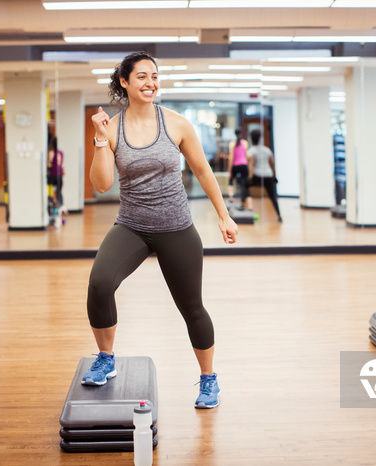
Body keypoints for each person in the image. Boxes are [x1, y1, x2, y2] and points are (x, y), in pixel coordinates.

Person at [84, 51, 238, 408]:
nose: (150, 82)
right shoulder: (113, 128)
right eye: (141, 76)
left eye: (154, 76)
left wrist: (223, 215)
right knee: (99, 283)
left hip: (176, 227)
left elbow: (202, 171)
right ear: (124, 82)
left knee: (192, 307)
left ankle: (208, 379)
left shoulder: (177, 124)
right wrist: (100, 139)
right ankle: (106, 359)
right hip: (132, 226)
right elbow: (103, 185)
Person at [247, 129, 282, 222]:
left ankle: (244, 205)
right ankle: (279, 216)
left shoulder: (251, 151)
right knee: (273, 196)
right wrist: (274, 177)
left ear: (251, 139)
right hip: (268, 175)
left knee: (244, 186)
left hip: (257, 176)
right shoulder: (267, 150)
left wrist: (249, 179)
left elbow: (251, 166)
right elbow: (272, 165)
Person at [228, 128, 251, 210]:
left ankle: (231, 197)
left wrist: (229, 170)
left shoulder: (232, 144)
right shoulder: (245, 143)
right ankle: (244, 203)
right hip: (244, 165)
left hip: (236, 165)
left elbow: (231, 158)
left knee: (230, 181)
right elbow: (247, 156)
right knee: (244, 185)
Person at [47, 136, 64, 212]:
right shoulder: (60, 153)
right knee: (59, 191)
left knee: (53, 192)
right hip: (59, 175)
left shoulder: (51, 152)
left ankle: (55, 207)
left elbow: (50, 163)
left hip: (53, 175)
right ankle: (60, 206)